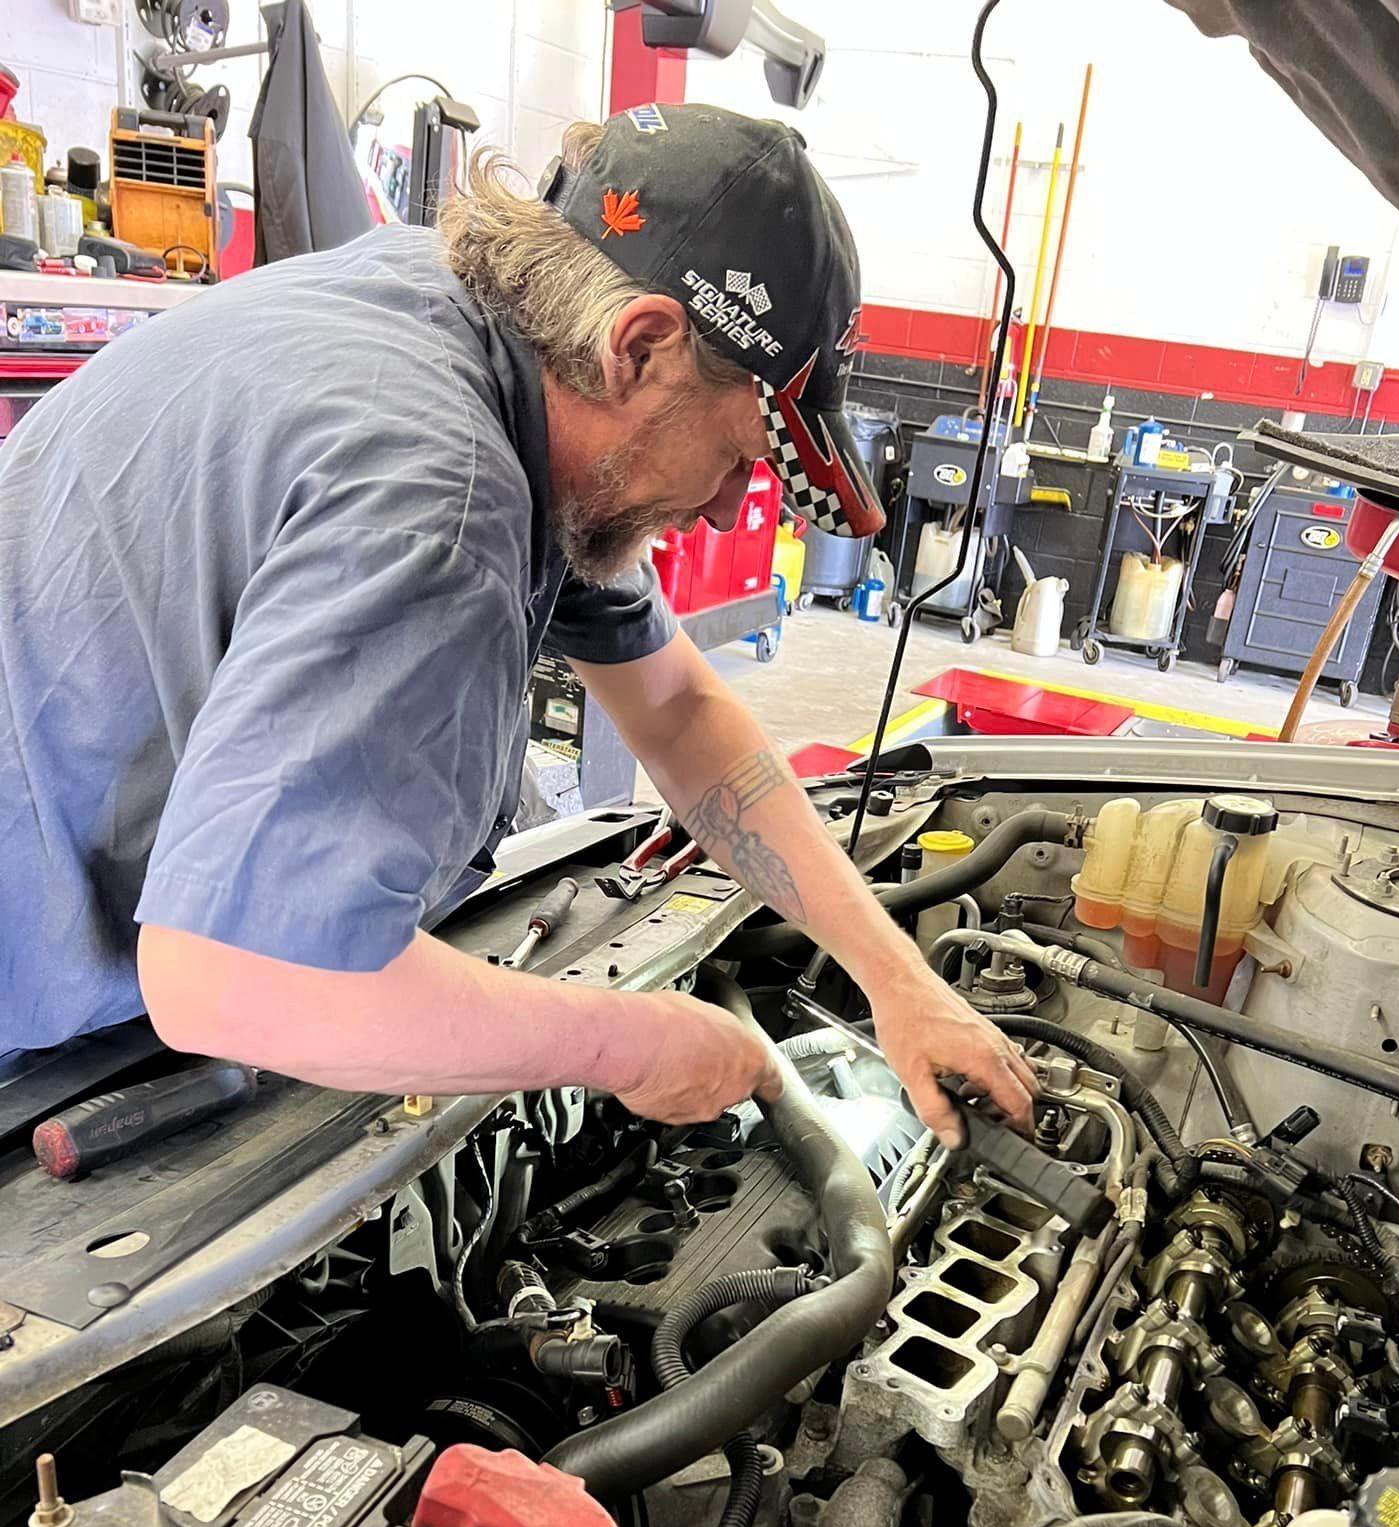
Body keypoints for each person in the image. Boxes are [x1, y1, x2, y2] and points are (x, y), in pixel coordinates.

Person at [0, 104, 1037, 1147]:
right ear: (638, 348)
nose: (732, 506)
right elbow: (241, 979)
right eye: (738, 451)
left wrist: (899, 981)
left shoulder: (479, 326)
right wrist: (629, 1045)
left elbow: (675, 707)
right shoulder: (440, 494)